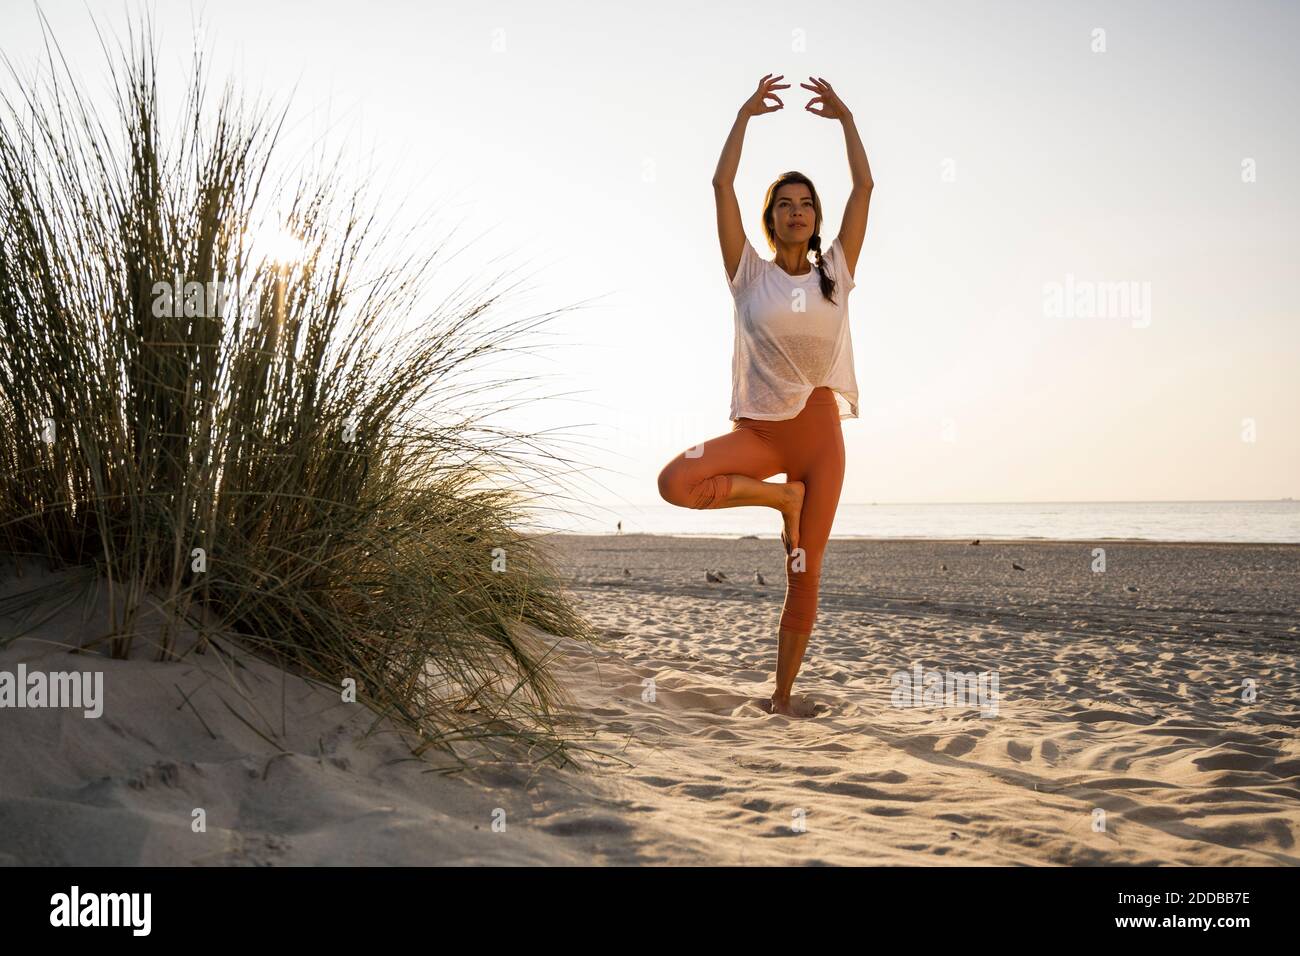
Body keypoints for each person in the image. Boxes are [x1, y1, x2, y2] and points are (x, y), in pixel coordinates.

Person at [656, 74, 874, 717]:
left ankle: (781, 697)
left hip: (819, 436)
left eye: (805, 202)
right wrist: (745, 114)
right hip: (757, 434)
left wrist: (846, 118)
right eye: (784, 203)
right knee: (677, 482)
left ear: (816, 217)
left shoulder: (837, 270)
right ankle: (780, 497)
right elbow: (721, 186)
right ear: (771, 217)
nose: (797, 210)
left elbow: (865, 187)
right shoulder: (747, 273)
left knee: (803, 569)